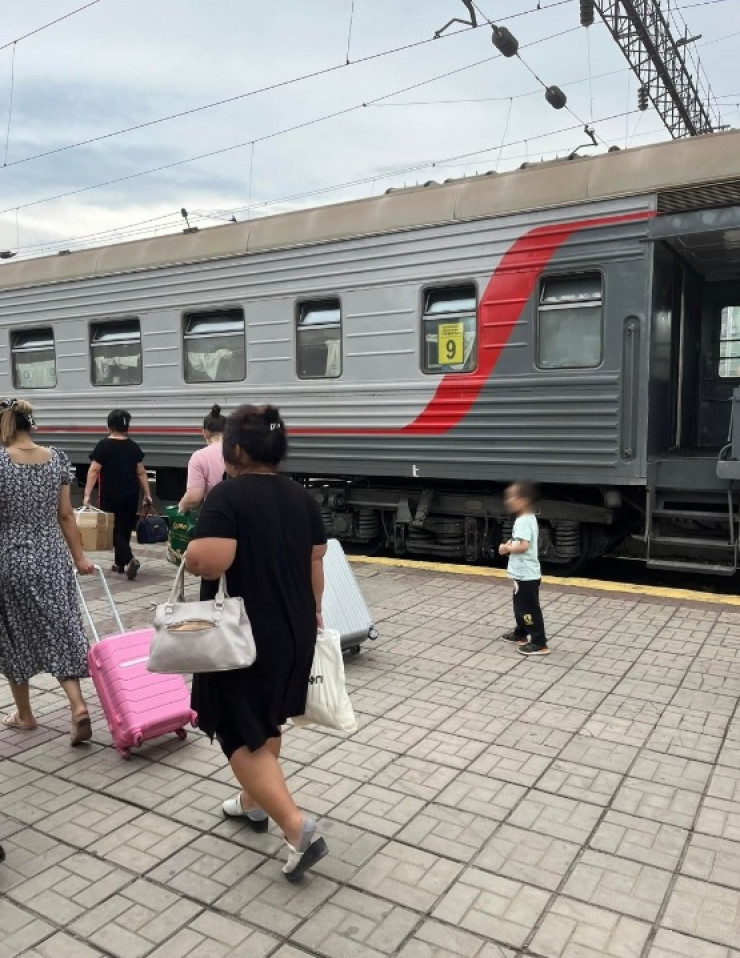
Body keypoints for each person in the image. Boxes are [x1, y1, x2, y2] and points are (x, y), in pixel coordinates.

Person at [185, 404, 329, 881]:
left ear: (237, 450)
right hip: (294, 628)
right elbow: (315, 561)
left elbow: (210, 561)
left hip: (241, 636)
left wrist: (189, 550)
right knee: (265, 718)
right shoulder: (301, 497)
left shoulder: (227, 496)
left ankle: (296, 827)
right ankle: (252, 802)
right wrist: (314, 613)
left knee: (236, 727)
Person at [0, 398, 96, 744]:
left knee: (13, 635)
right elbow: (66, 515)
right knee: (60, 629)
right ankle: (78, 705)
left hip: (10, 560)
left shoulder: (0, 462)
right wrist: (79, 558)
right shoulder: (57, 458)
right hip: (52, 559)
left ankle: (25, 714)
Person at [83, 409, 152, 579]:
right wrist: (147, 494)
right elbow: (141, 472)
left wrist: (87, 494)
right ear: (127, 427)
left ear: (109, 426)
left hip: (110, 495)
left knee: (112, 529)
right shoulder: (133, 446)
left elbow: (94, 470)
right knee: (125, 528)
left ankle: (129, 559)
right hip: (131, 495)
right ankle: (119, 564)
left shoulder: (104, 445)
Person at [498, 480, 550, 656]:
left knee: (528, 609)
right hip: (524, 574)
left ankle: (539, 642)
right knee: (520, 607)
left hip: (525, 575)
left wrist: (506, 548)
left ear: (524, 501)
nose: (508, 501)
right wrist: (511, 543)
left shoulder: (522, 521)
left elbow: (523, 546)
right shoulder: (529, 518)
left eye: (511, 497)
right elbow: (520, 541)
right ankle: (521, 633)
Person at [177, 404, 226, 513]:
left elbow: (193, 498)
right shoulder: (240, 452)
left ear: (205, 433)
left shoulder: (199, 457)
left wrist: (182, 506)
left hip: (216, 514)